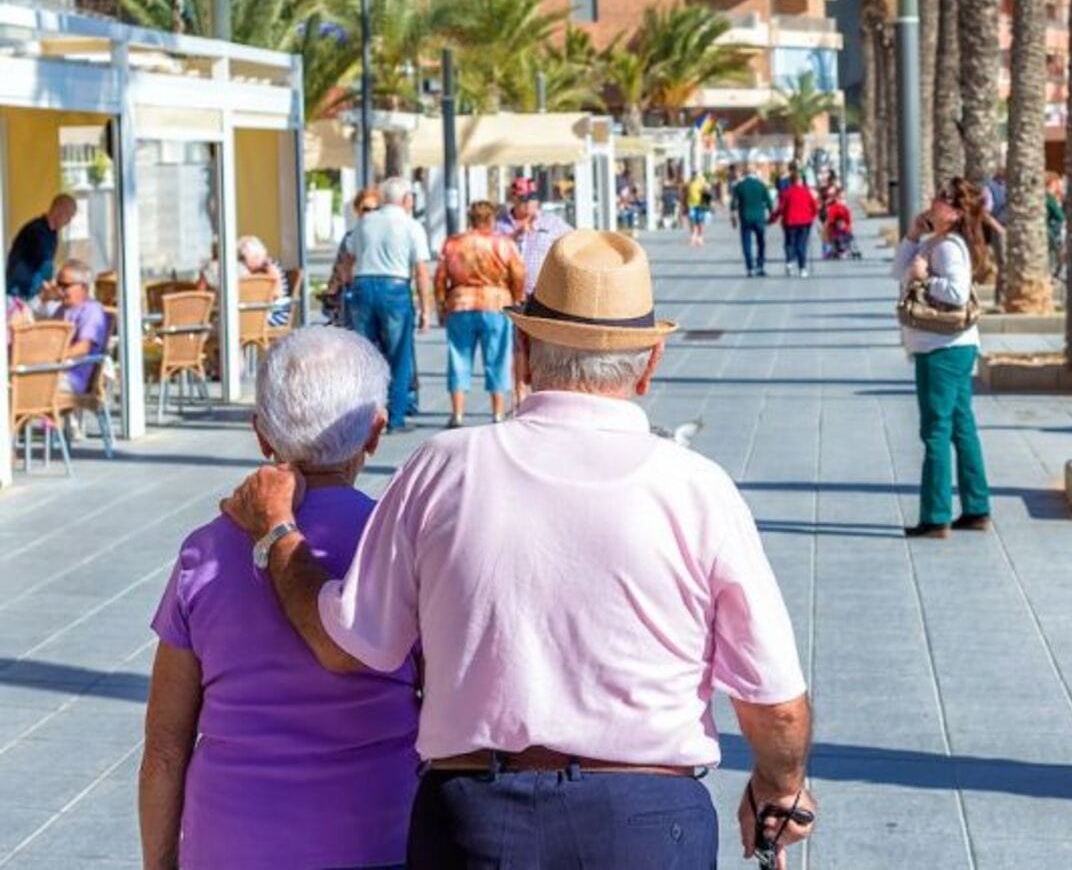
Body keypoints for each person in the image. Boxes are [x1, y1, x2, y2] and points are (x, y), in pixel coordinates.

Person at [221, 231, 816, 870]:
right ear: (650, 363)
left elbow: (350, 643)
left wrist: (279, 536)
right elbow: (777, 708)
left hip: (479, 815)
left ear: (524, 353)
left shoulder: (444, 467)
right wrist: (777, 792)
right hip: (649, 820)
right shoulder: (700, 489)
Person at [140, 327, 419, 870]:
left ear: (262, 435)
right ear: (376, 432)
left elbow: (164, 749)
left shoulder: (205, 551)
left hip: (231, 843)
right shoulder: (399, 543)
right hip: (379, 835)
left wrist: (158, 863)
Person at [893, 177, 992, 539]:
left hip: (943, 348)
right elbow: (896, 273)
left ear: (953, 211)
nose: (931, 201)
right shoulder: (935, 241)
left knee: (936, 429)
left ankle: (935, 516)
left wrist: (926, 277)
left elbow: (956, 292)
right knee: (961, 425)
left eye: (939, 198)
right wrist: (912, 237)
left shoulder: (949, 247)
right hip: (946, 345)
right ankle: (976, 507)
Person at [342, 176, 433, 432]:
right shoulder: (411, 225)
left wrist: (347, 284)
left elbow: (347, 261)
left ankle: (363, 419)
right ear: (406, 199)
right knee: (399, 356)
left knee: (364, 355)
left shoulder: (364, 223)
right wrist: (426, 309)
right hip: (395, 288)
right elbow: (421, 271)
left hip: (363, 286)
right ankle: (395, 418)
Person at [434, 200, 526, 427]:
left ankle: (457, 413)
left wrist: (442, 304)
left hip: (461, 303)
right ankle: (497, 412)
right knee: (497, 359)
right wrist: (516, 299)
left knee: (458, 358)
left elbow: (439, 278)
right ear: (492, 219)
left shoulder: (454, 243)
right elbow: (518, 274)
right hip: (496, 303)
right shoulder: (503, 244)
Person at [497, 177, 572, 295]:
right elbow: (489, 250)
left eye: (533, 198)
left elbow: (573, 241)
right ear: (513, 198)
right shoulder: (499, 224)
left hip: (542, 293)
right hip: (507, 292)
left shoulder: (551, 222)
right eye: (523, 199)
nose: (529, 203)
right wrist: (516, 234)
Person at [45, 260, 109, 395]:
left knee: (21, 387)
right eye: (58, 284)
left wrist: (50, 357)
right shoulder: (62, 310)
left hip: (73, 378)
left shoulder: (91, 311)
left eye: (65, 286)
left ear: (83, 288)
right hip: (55, 371)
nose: (60, 290)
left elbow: (82, 348)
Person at [323, 187, 380, 327]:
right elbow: (339, 268)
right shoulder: (350, 237)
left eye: (376, 209)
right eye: (366, 209)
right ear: (357, 211)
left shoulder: (386, 237)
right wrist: (332, 292)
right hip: (355, 296)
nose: (371, 214)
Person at [6, 193, 78, 300]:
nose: (68, 221)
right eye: (68, 215)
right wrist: (55, 287)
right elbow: (45, 267)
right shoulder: (37, 231)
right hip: (19, 293)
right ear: (58, 210)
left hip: (31, 292)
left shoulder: (52, 234)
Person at [772, 164, 820, 277]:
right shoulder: (806, 192)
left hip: (790, 222)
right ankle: (802, 268)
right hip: (804, 222)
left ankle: (789, 263)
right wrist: (813, 217)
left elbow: (780, 208)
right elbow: (814, 206)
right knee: (801, 244)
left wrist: (772, 219)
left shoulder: (786, 193)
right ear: (799, 181)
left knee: (789, 243)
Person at [237, 236, 291, 328]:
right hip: (265, 312)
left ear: (255, 255)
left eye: (243, 258)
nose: (242, 263)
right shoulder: (260, 269)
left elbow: (276, 295)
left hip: (275, 315)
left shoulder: (270, 268)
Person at [731, 162, 774, 277]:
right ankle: (760, 266)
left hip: (745, 217)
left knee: (746, 243)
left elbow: (733, 203)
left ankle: (750, 267)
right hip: (759, 218)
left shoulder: (739, 186)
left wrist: (733, 217)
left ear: (745, 173)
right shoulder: (761, 185)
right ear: (755, 172)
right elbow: (769, 202)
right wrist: (771, 215)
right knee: (761, 242)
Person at [824, 187, 856, 260]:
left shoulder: (845, 209)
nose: (842, 201)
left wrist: (849, 226)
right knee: (837, 237)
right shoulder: (833, 208)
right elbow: (830, 219)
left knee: (846, 237)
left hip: (845, 230)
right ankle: (839, 251)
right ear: (836, 199)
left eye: (843, 199)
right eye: (840, 198)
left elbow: (849, 219)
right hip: (835, 230)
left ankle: (843, 250)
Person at [683, 169, 709, 247]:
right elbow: (685, 193)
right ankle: (693, 235)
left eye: (695, 174)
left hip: (700, 205)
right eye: (692, 174)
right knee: (692, 221)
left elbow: (706, 193)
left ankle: (700, 237)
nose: (694, 175)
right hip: (691, 205)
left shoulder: (701, 183)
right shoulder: (688, 183)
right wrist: (684, 205)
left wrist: (706, 205)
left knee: (699, 221)